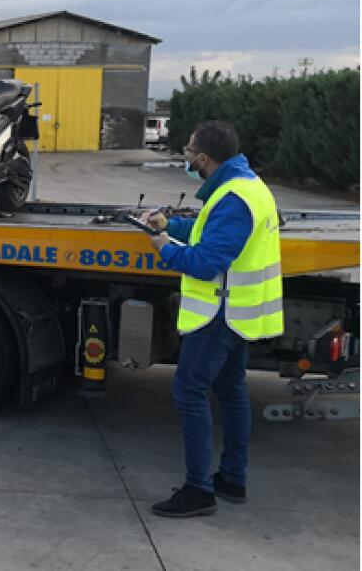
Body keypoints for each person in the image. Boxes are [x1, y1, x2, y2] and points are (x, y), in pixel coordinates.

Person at [141, 120, 283, 518]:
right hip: (237, 313)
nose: (186, 158)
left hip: (221, 313)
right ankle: (231, 479)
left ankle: (199, 490)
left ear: (203, 158)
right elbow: (208, 231)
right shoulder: (245, 187)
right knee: (231, 390)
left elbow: (206, 262)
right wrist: (170, 225)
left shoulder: (235, 198)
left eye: (188, 152)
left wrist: (164, 248)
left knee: (189, 390)